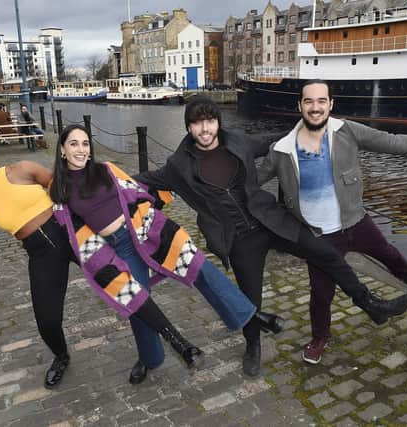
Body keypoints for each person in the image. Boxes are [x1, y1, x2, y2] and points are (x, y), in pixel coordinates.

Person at [0, 138, 212, 389]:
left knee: (127, 289)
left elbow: (71, 187)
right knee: (47, 321)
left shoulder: (20, 169)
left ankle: (180, 343)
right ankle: (62, 355)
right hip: (41, 253)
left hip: (73, 234)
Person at [136, 96, 407, 376]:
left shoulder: (238, 141)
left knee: (326, 254)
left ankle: (370, 304)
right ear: (189, 127)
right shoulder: (178, 165)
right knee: (250, 299)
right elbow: (144, 180)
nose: (204, 129)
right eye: (197, 123)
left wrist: (313, 124)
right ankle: (253, 346)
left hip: (270, 221)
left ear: (217, 122)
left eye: (209, 121)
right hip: (239, 238)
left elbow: (279, 138)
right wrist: (99, 178)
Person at [49, 125, 285, 384]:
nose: (81, 150)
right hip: (116, 249)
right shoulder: (59, 190)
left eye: (85, 143)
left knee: (198, 265)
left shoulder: (105, 170)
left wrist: (158, 196)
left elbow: (134, 190)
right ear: (62, 149)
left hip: (144, 230)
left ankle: (252, 315)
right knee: (137, 303)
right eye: (74, 144)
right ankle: (149, 358)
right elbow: (72, 232)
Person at [256, 79, 407, 364]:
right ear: (299, 105)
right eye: (309, 102)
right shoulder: (281, 149)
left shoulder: (345, 131)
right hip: (318, 236)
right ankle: (319, 337)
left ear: (331, 104)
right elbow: (251, 181)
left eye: (321, 101)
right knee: (321, 293)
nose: (315, 108)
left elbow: (393, 142)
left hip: (355, 221)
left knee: (392, 256)